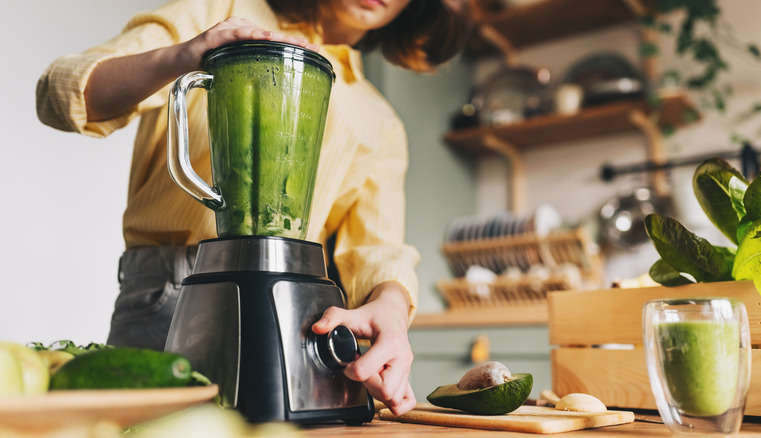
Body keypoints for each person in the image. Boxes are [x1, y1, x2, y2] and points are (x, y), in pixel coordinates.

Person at [36, 0, 471, 416]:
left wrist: (391, 310)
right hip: (168, 293)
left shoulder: (381, 121)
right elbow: (61, 93)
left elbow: (377, 251)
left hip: (293, 306)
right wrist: (181, 57)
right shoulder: (221, 13)